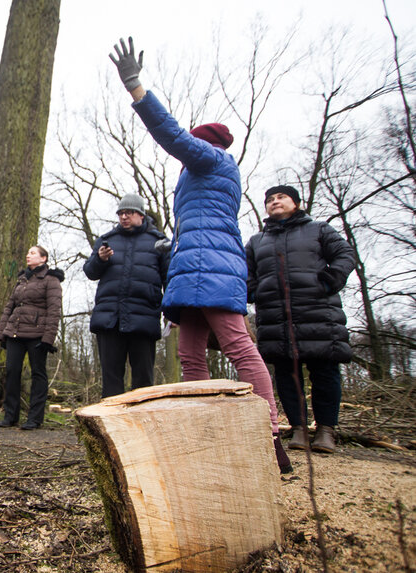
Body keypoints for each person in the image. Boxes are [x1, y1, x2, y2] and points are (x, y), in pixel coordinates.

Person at [109, 36, 292, 473]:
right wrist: (170, 249)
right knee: (191, 353)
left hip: (213, 269)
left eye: (189, 147)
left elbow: (169, 135)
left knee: (238, 346)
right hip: (190, 270)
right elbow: (198, 225)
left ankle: (268, 434)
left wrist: (137, 89)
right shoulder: (196, 177)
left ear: (204, 144)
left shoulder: (212, 160)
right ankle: (205, 427)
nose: (184, 154)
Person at [246, 185, 356, 454]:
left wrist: (331, 280)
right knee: (286, 374)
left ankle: (326, 431)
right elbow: (245, 272)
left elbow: (345, 254)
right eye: (270, 199)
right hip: (275, 317)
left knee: (325, 372)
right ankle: (298, 429)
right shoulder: (257, 241)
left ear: (295, 203)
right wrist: (254, 292)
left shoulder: (319, 229)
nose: (275, 202)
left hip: (318, 311)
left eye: (281, 197)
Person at [84, 193, 170, 398]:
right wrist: (100, 259)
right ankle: (109, 426)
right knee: (111, 380)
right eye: (121, 213)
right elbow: (90, 272)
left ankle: (142, 426)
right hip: (109, 319)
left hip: (143, 318)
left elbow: (170, 280)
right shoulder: (106, 240)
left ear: (141, 215)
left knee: (143, 382)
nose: (124, 217)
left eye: (129, 212)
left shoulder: (159, 242)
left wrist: (172, 313)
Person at [0, 245, 64, 430]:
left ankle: (35, 418)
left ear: (43, 258)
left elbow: (54, 311)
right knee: (11, 372)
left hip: (37, 335)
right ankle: (10, 416)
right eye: (27, 252)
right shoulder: (22, 280)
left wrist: (48, 338)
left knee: (38, 374)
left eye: (33, 253)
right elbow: (9, 307)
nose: (28, 255)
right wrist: (3, 334)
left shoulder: (51, 280)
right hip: (14, 333)